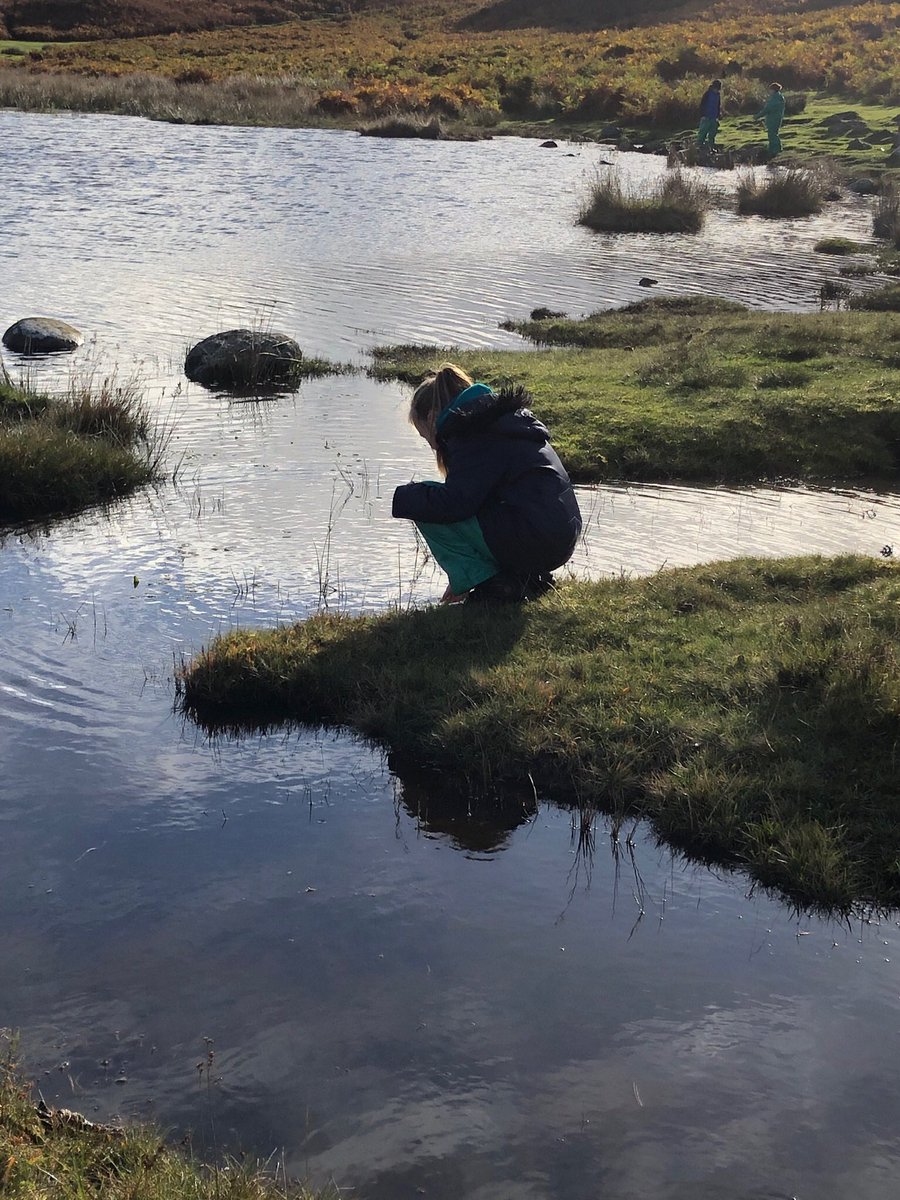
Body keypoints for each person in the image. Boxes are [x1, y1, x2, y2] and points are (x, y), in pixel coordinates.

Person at [392, 364, 583, 604]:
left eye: (425, 436)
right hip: (560, 537)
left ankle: (495, 586)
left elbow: (455, 504)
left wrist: (404, 497)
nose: (431, 445)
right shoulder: (500, 422)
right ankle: (524, 578)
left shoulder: (473, 434)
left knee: (423, 503)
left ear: (431, 418)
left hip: (538, 540)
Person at [755, 83, 786, 155]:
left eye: (770, 90)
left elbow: (767, 109)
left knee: (772, 134)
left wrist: (757, 116)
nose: (769, 91)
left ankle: (776, 149)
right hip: (777, 118)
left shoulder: (774, 99)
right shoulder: (780, 97)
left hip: (773, 119)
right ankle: (773, 149)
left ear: (773, 90)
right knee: (774, 133)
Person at [697, 79, 722, 150]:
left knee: (712, 133)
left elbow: (718, 106)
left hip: (714, 117)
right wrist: (702, 115)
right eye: (716, 88)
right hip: (706, 117)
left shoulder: (718, 95)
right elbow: (702, 105)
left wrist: (718, 115)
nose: (717, 90)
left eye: (718, 89)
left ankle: (711, 146)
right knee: (702, 132)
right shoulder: (707, 94)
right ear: (713, 87)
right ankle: (699, 146)